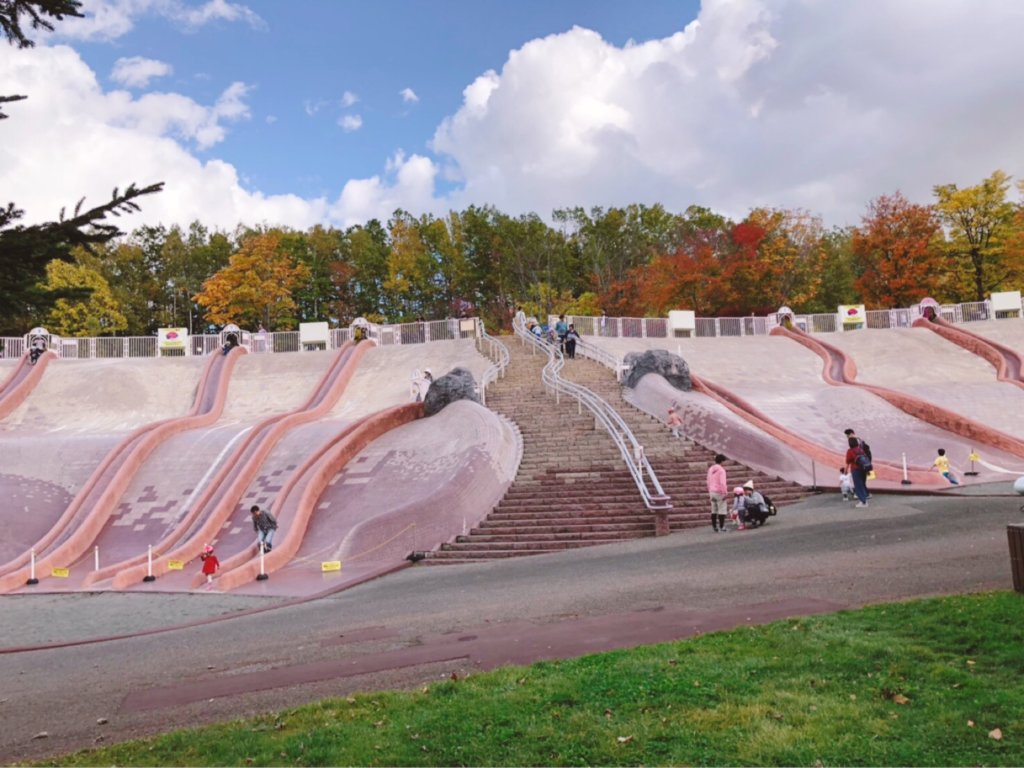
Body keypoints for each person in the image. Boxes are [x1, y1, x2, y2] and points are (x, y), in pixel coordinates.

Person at [844, 428, 872, 498]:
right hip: (865, 465)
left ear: (852, 434)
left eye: (848, 435)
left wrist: (846, 469)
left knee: (859, 481)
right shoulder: (860, 443)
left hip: (858, 467)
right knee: (862, 480)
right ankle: (865, 494)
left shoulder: (856, 446)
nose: (847, 437)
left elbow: (848, 461)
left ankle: (862, 497)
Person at [706, 454, 729, 533]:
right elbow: (722, 483)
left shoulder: (711, 469)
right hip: (719, 492)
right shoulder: (721, 470)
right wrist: (725, 492)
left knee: (714, 509)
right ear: (722, 461)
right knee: (722, 509)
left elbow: (708, 481)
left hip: (712, 491)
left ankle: (714, 526)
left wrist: (710, 491)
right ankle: (722, 526)